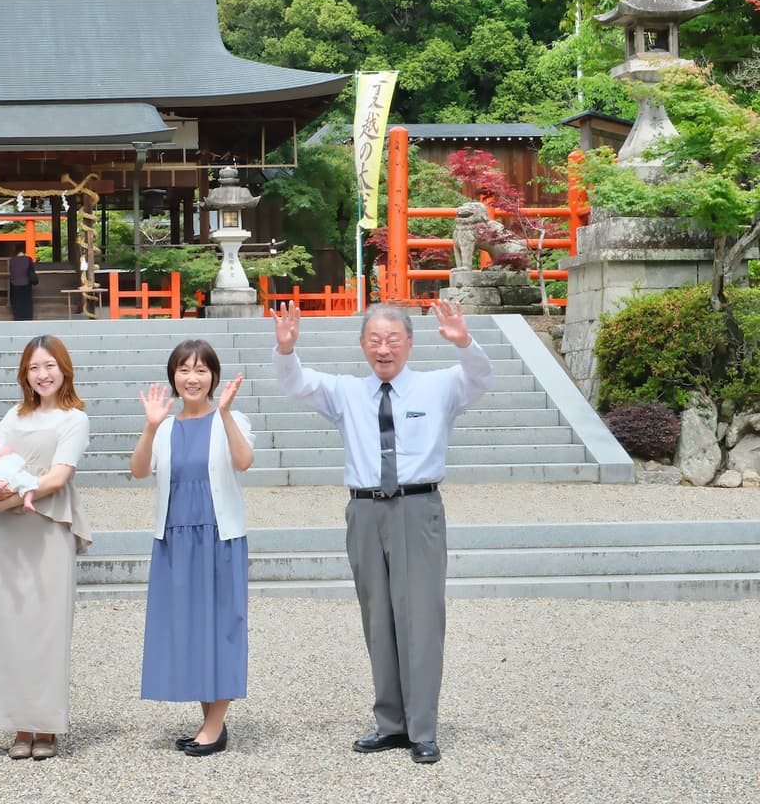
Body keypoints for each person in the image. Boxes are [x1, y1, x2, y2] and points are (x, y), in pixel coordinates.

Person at [271, 299, 492, 765]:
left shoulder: (439, 386)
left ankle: (423, 729)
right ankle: (390, 724)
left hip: (417, 507)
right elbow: (296, 385)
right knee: (378, 618)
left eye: (393, 339)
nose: (384, 348)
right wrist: (287, 350)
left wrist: (464, 342)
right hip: (365, 510)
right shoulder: (348, 392)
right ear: (362, 345)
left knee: (421, 617)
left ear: (409, 343)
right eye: (375, 339)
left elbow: (479, 379)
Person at [0, 335, 90, 761]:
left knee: (47, 628)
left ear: (64, 368)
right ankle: (20, 725)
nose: (43, 374)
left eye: (50, 365)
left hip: (48, 527)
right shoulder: (14, 415)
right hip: (10, 531)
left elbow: (57, 478)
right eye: (35, 367)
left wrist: (16, 492)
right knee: (11, 626)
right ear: (25, 373)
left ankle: (47, 726)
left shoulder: (75, 418)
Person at [131, 339, 254, 757]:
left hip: (218, 537)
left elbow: (243, 462)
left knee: (222, 626)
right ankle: (209, 723)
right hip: (175, 537)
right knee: (191, 628)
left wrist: (225, 415)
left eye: (201, 370)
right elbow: (138, 470)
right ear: (173, 377)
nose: (193, 377)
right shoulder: (164, 425)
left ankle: (214, 727)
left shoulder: (229, 418)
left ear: (214, 377)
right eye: (184, 369)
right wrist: (149, 426)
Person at [8, 249, 37, 321]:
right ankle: (27, 317)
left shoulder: (12, 260)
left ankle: (18, 317)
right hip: (26, 283)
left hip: (15, 284)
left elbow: (11, 271)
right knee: (26, 302)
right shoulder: (28, 259)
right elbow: (32, 271)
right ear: (24, 251)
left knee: (17, 302)